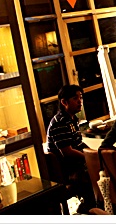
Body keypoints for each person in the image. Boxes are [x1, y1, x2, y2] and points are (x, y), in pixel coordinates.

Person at [46, 84, 95, 212]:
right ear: (64, 102)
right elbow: (67, 152)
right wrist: (89, 158)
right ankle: (89, 207)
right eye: (75, 98)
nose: (80, 101)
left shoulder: (72, 119)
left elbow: (79, 144)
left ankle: (92, 206)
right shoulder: (60, 122)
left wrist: (94, 153)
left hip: (75, 165)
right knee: (96, 172)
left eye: (81, 97)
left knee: (103, 164)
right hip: (66, 170)